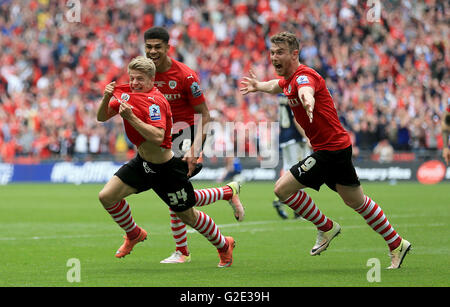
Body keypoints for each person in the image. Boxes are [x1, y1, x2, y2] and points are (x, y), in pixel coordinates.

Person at [240, 32, 411, 269]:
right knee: (357, 202)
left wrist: (307, 99)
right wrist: (258, 86)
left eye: (280, 52)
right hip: (336, 148)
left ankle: (326, 227)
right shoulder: (289, 80)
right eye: (272, 52)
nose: (274, 57)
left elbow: (305, 89)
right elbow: (276, 85)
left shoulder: (303, 77)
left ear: (294, 54)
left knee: (282, 189)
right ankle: (397, 243)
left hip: (329, 151)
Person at [96, 56, 237, 267]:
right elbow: (101, 117)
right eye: (132, 78)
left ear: (152, 80)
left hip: (166, 170)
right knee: (106, 196)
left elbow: (158, 137)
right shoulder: (128, 95)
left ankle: (224, 245)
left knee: (189, 216)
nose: (134, 83)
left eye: (140, 79)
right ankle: (133, 234)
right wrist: (106, 98)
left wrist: (131, 117)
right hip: (142, 164)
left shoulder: (156, 102)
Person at [143, 27, 244, 264]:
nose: (153, 51)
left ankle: (184, 252)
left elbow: (205, 115)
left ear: (168, 47)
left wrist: (194, 149)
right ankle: (226, 192)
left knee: (176, 198)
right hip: (161, 141)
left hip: (184, 138)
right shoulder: (144, 74)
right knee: (178, 198)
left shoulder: (186, 76)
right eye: (149, 47)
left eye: (158, 46)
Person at [273, 93, 312, 219]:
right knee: (301, 172)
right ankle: (298, 209)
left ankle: (280, 199)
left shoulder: (282, 94)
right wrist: (307, 137)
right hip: (296, 138)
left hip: (285, 136)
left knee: (288, 169)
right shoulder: (295, 92)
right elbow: (296, 118)